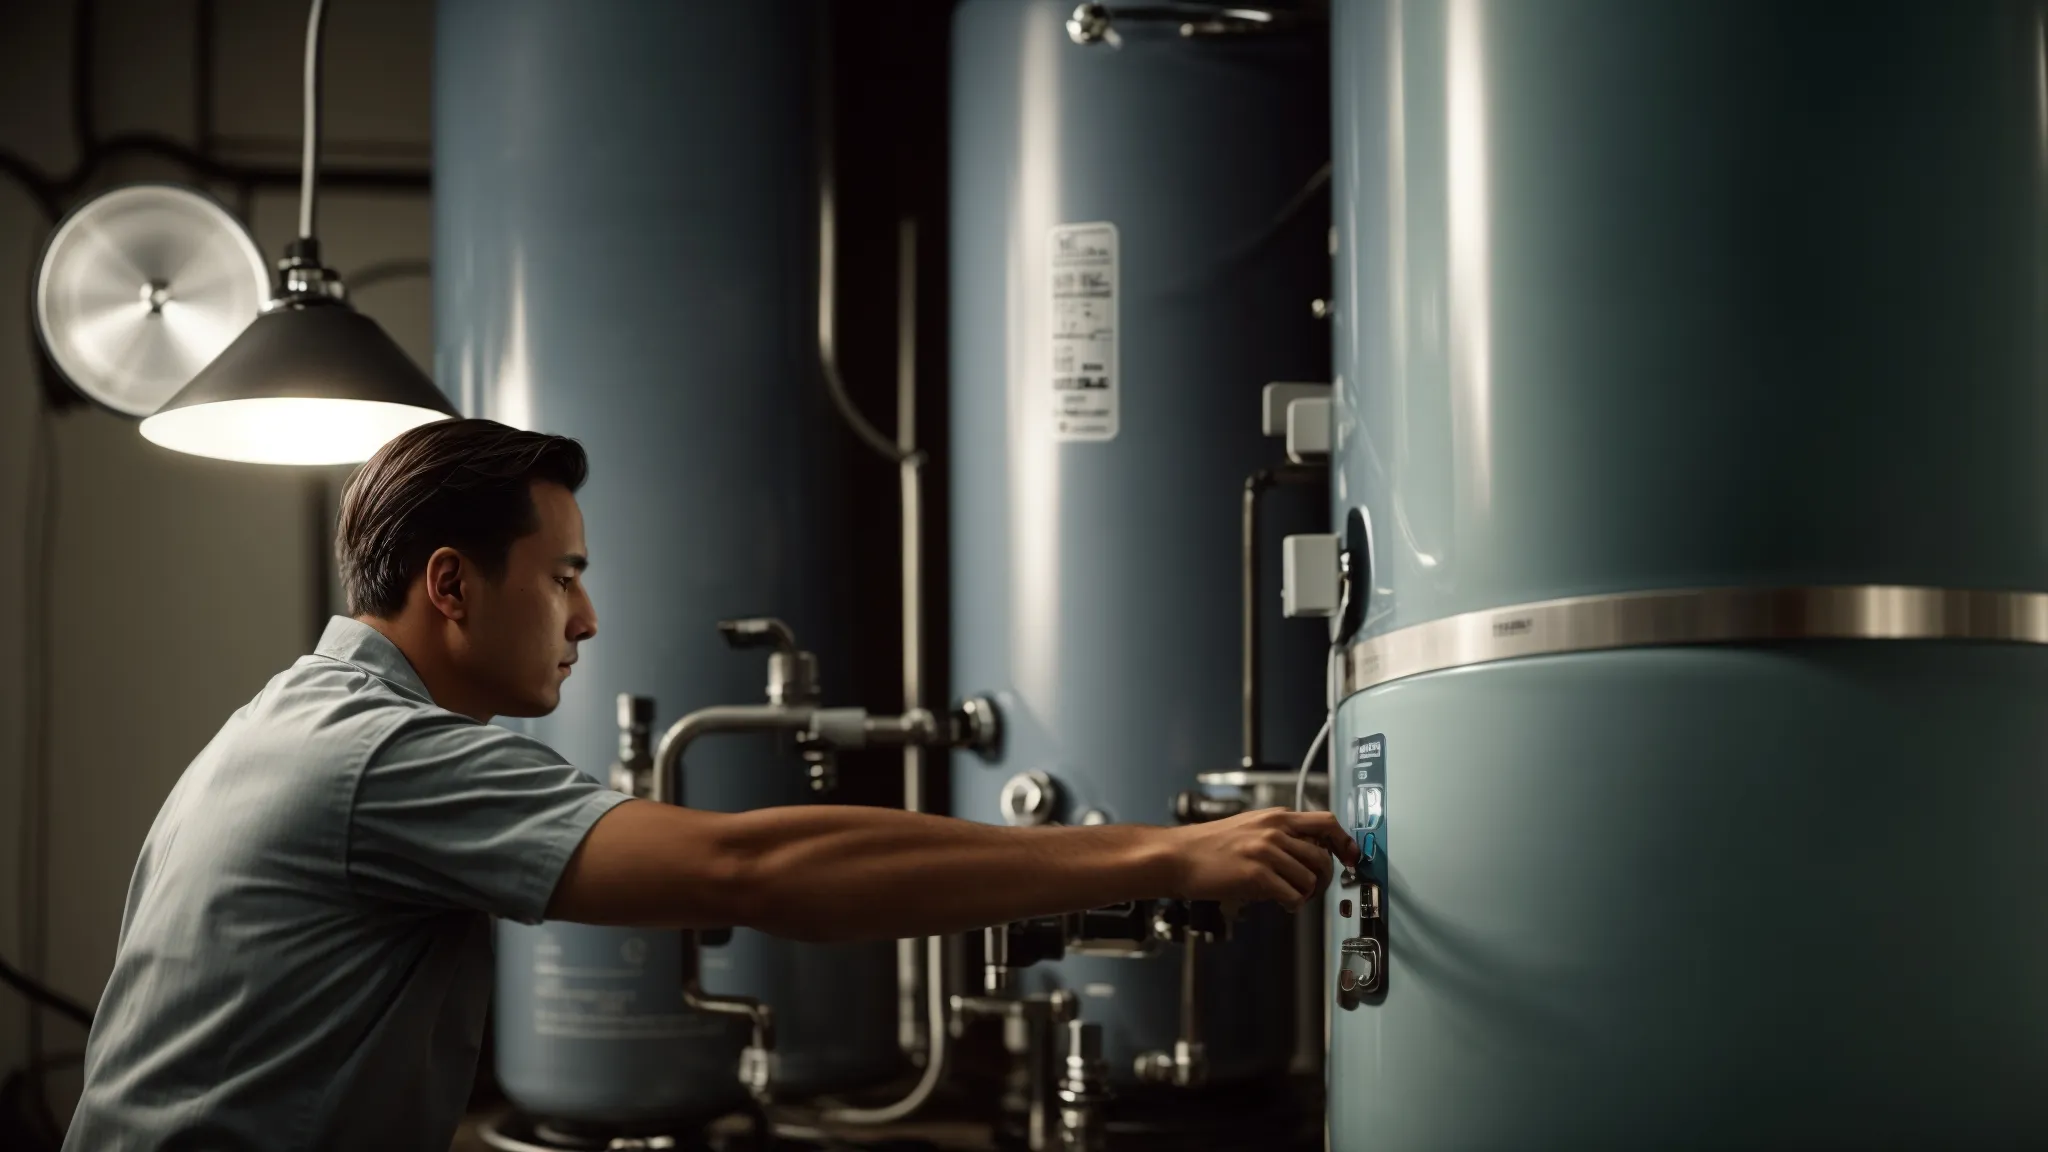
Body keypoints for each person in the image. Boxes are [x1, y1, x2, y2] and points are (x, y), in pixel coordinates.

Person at [63, 418, 1358, 1151]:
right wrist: (1160, 855)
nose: (588, 615)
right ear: (450, 585)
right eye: (562, 572)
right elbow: (755, 871)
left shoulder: (283, 724)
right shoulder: (377, 757)